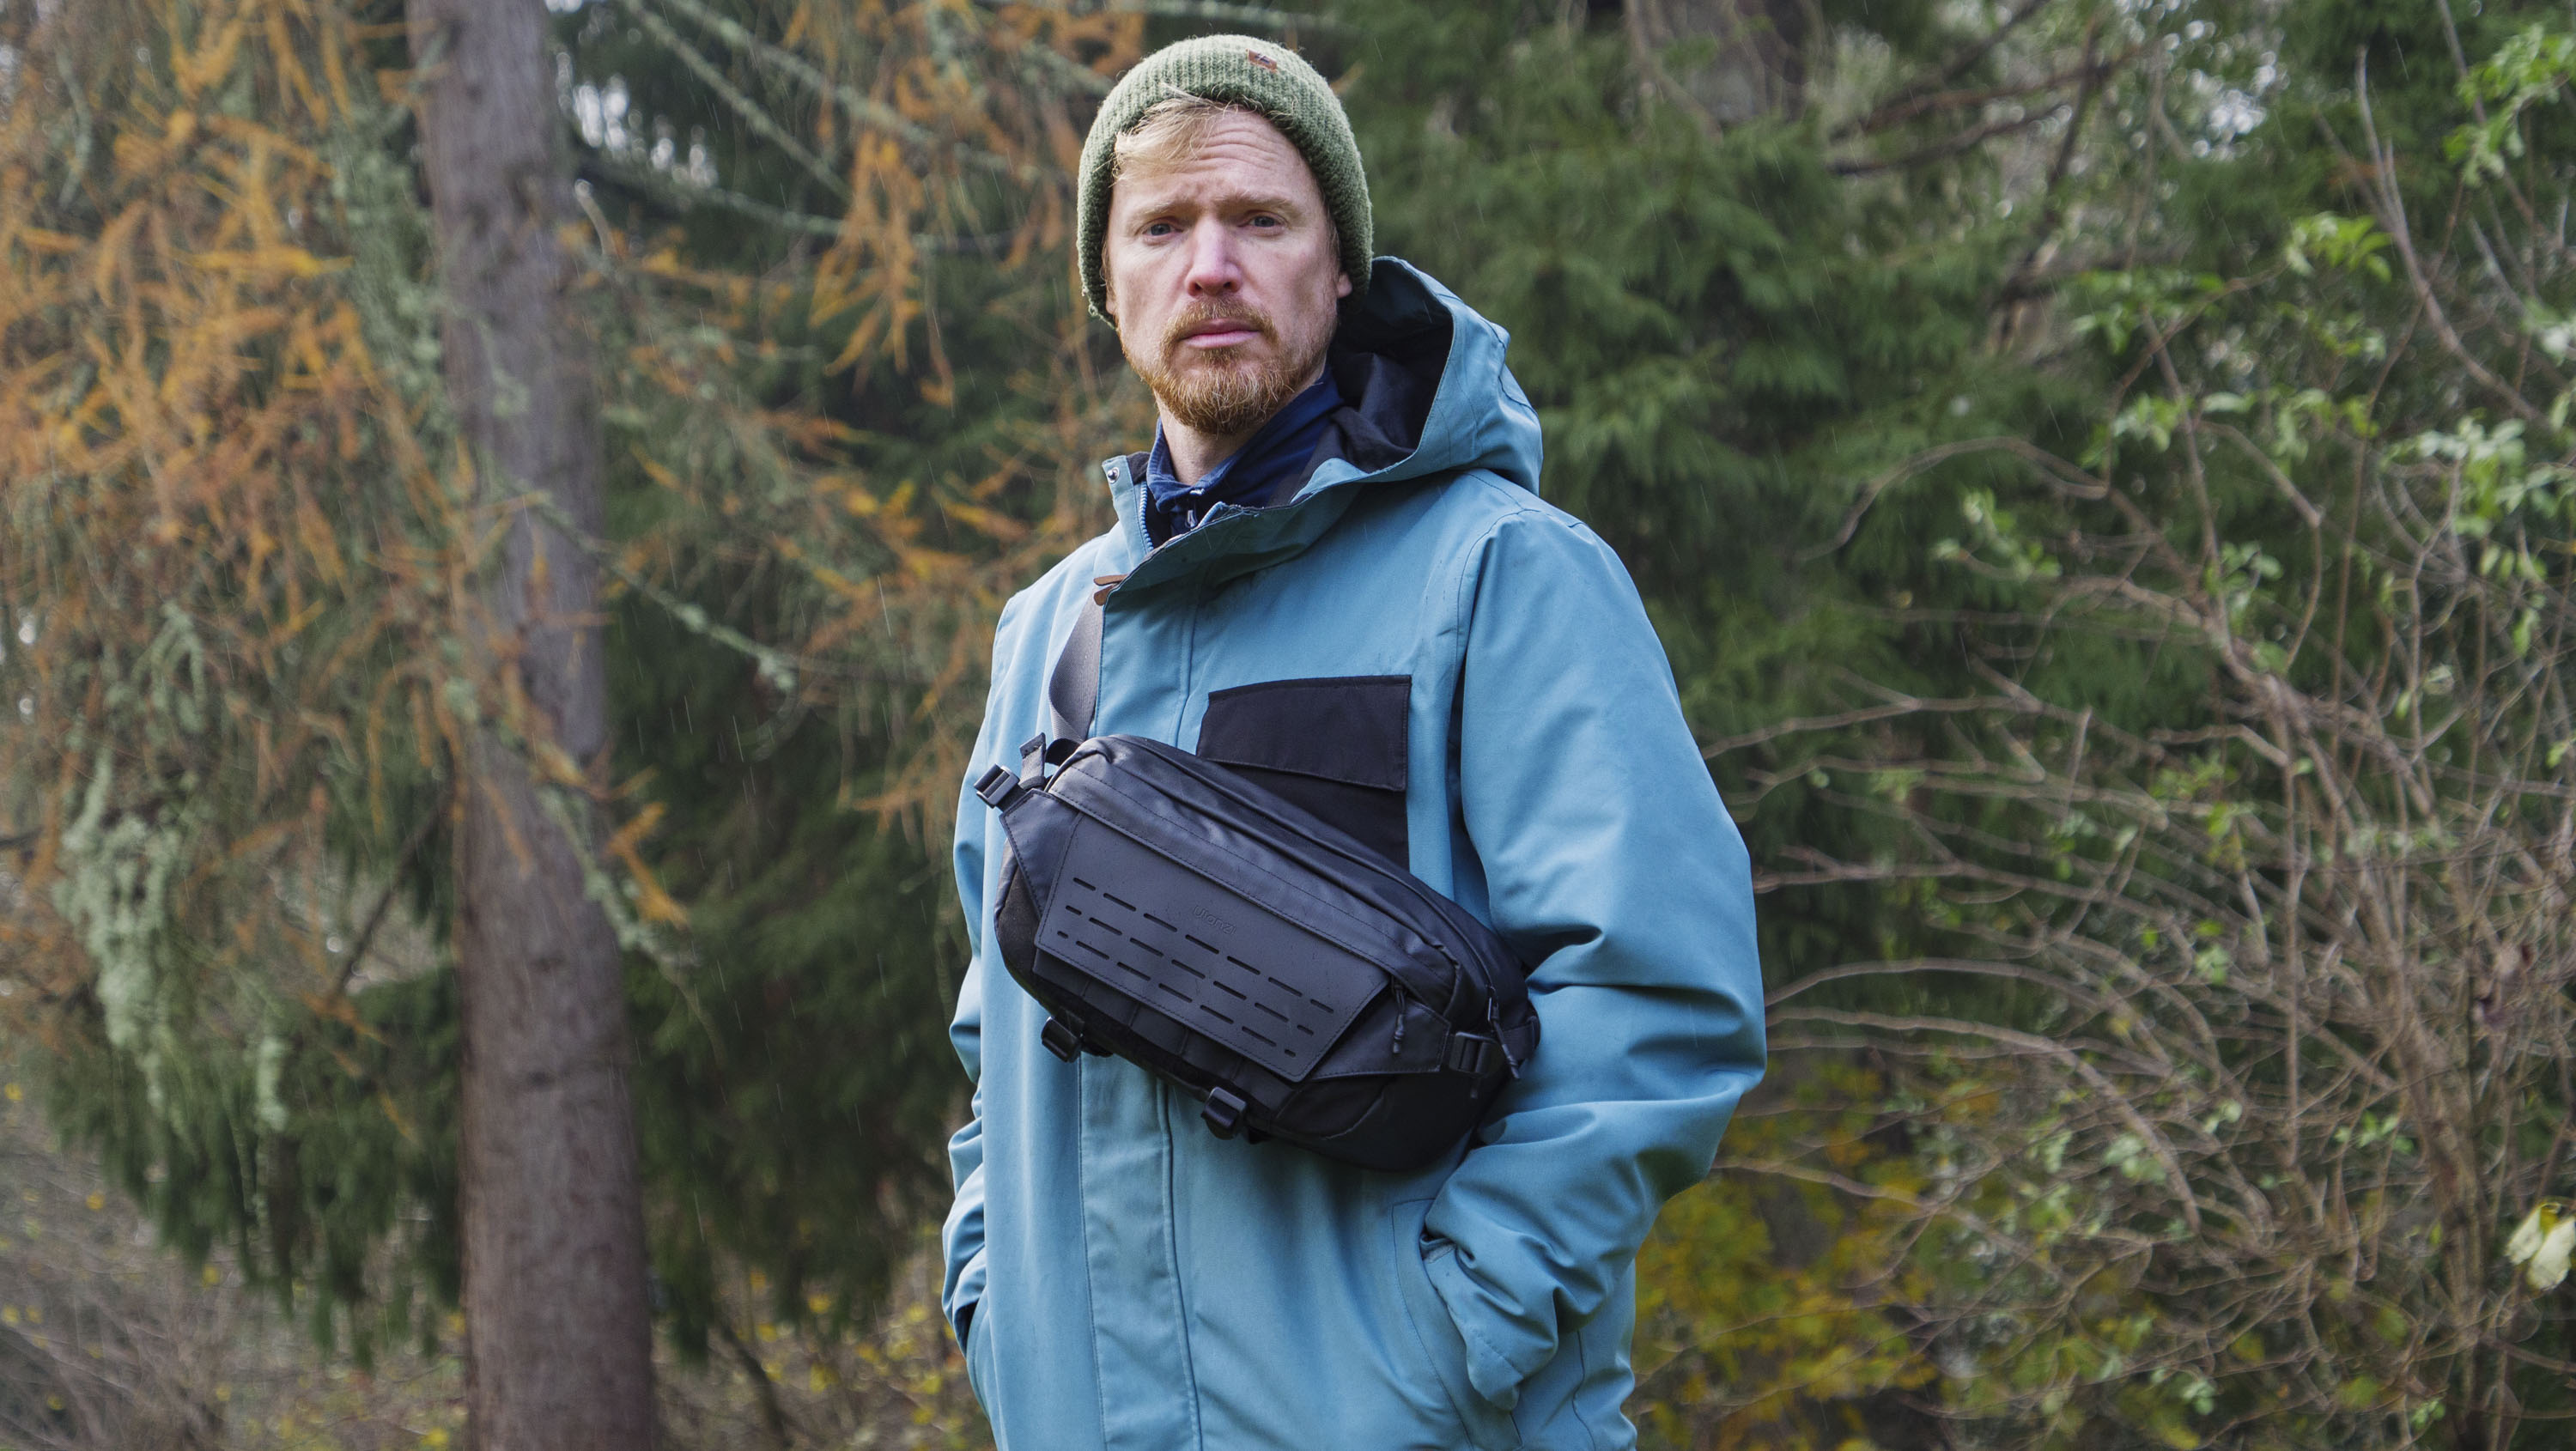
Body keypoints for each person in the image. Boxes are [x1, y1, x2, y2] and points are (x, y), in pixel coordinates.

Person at [942, 34, 1765, 1451]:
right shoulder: (1046, 635)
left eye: (1262, 219)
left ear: (1339, 269)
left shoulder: (1505, 575)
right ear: (1107, 286)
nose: (1211, 265)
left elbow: (1660, 1007)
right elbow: (990, 1046)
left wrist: (1444, 1346)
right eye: (1162, 226)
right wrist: (994, 1314)